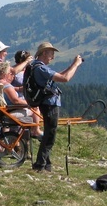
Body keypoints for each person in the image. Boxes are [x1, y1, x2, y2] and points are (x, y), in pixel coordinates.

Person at [30, 42, 83, 173]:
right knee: (50, 135)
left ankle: (46, 165)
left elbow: (57, 77)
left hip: (46, 103)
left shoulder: (37, 67)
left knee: (49, 133)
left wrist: (71, 66)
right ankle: (40, 165)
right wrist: (76, 65)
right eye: (51, 54)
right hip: (50, 103)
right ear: (43, 53)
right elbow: (65, 78)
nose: (52, 57)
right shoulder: (41, 68)